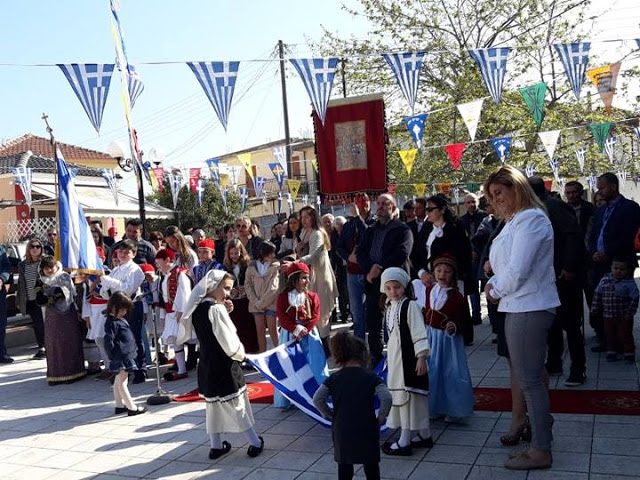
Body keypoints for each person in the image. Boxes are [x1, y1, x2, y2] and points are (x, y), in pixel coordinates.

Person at [484, 166, 559, 470]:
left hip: (527, 306)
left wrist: (494, 289)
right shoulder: (517, 220)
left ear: (516, 188)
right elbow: (506, 261)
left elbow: (518, 270)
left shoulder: (531, 220)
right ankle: (542, 431)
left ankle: (541, 450)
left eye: (499, 193)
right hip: (519, 306)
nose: (496, 200)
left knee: (529, 380)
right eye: (492, 196)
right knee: (533, 375)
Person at [177, 269, 264, 460]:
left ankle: (215, 446)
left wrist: (224, 309)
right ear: (212, 286)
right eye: (225, 288)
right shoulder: (215, 309)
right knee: (237, 404)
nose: (227, 294)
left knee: (213, 406)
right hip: (225, 364)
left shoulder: (198, 308)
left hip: (207, 363)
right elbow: (228, 338)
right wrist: (241, 355)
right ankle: (254, 442)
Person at [529, 176, 587, 386]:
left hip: (564, 275)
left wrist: (569, 267)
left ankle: (578, 369)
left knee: (571, 325)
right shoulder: (535, 208)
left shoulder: (553, 206)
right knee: (551, 323)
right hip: (546, 276)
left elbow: (573, 235)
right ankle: (554, 363)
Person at [313, 331, 392, 480]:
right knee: (371, 466)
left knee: (344, 467)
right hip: (367, 427)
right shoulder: (371, 377)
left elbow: (317, 398)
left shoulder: (334, 378)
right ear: (363, 355)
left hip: (342, 428)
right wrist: (382, 417)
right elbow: (386, 397)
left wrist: (330, 414)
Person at [379, 267, 431, 456]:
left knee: (410, 397)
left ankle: (405, 440)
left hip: (409, 360)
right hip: (395, 360)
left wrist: (422, 357)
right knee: (404, 397)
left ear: (404, 287)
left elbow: (419, 332)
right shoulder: (389, 307)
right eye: (389, 288)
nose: (393, 292)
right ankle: (424, 435)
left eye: (397, 287)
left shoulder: (411, 306)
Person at [357, 194, 413, 366]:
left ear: (393, 207)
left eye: (385, 204)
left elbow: (402, 253)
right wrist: (368, 270)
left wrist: (379, 267)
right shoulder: (370, 230)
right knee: (374, 321)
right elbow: (360, 253)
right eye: (378, 203)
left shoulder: (402, 230)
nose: (380, 207)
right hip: (373, 283)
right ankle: (376, 357)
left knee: (399, 319)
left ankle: (403, 356)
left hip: (395, 282)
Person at [588, 173, 640, 351]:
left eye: (602, 187)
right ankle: (606, 339)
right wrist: (594, 252)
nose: (599, 191)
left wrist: (607, 252)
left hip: (620, 262)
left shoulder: (630, 208)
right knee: (604, 300)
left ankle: (624, 340)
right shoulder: (601, 209)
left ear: (613, 187)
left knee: (622, 301)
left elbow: (627, 234)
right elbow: (594, 233)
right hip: (600, 263)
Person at [422, 255, 474, 421]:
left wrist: (454, 327)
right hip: (431, 337)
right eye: (438, 270)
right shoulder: (430, 289)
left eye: (447, 271)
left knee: (449, 373)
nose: (442, 274)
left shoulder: (457, 297)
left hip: (447, 341)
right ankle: (434, 407)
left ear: (453, 274)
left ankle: (453, 409)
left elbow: (464, 320)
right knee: (433, 372)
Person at [417, 194, 473, 344]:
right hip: (428, 278)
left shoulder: (454, 229)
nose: (427, 212)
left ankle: (458, 334)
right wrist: (422, 272)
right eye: (426, 209)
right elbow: (417, 253)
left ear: (441, 210)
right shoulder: (426, 228)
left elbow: (463, 255)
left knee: (452, 310)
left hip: (449, 279)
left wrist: (444, 274)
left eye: (430, 209)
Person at [274, 262, 329, 410]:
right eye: (303, 278)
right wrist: (294, 328)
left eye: (307, 277)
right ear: (294, 279)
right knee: (289, 364)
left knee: (316, 362)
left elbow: (315, 315)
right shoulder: (283, 297)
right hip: (289, 333)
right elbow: (282, 316)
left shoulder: (312, 296)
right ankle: (286, 399)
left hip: (309, 333)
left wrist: (305, 329)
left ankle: (321, 396)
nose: (307, 281)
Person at [287, 206, 339, 344]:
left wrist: (294, 264)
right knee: (310, 313)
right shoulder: (304, 232)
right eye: (302, 217)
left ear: (313, 217)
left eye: (306, 217)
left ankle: (325, 347)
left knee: (322, 314)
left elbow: (314, 256)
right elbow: (299, 251)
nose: (303, 220)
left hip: (320, 278)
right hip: (309, 279)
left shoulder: (317, 233)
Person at [99, 240, 147, 383]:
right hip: (116, 308)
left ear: (134, 254)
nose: (123, 255)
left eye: (127, 252)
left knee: (135, 337)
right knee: (119, 339)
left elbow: (128, 289)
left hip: (132, 305)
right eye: (121, 252)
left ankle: (140, 369)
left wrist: (109, 281)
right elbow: (106, 293)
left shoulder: (135, 270)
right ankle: (123, 368)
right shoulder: (116, 270)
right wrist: (105, 287)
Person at [38, 256, 86, 385]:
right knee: (53, 344)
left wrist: (48, 296)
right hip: (51, 317)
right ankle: (56, 374)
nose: (49, 270)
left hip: (67, 314)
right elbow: (39, 299)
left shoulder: (63, 276)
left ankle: (73, 372)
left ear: (56, 266)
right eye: (46, 268)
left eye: (51, 267)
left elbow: (62, 294)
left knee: (69, 342)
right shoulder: (40, 280)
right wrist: (49, 296)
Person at [103, 291, 147, 416]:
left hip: (125, 354)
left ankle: (119, 405)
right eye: (122, 309)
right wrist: (111, 355)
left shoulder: (119, 319)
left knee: (119, 380)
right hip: (121, 355)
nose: (124, 312)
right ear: (113, 307)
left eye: (125, 310)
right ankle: (131, 407)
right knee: (123, 382)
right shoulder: (111, 322)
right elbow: (108, 341)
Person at [338, 195, 375, 340]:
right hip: (352, 273)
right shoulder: (348, 225)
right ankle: (359, 345)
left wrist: (359, 219)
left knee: (372, 310)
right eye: (358, 202)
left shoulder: (375, 222)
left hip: (370, 272)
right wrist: (348, 257)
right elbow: (339, 246)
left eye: (365, 201)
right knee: (356, 311)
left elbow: (367, 234)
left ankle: (374, 345)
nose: (362, 204)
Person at [591, 256, 639, 363]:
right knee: (610, 334)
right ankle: (611, 351)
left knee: (625, 334)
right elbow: (597, 295)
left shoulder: (629, 283)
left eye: (622, 269)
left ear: (627, 270)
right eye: (616, 268)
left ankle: (629, 353)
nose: (618, 271)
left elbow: (635, 298)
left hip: (623, 316)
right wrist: (594, 308)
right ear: (611, 268)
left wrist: (630, 312)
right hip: (608, 315)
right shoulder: (604, 280)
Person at [156, 249, 192, 381]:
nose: (158, 266)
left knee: (193, 338)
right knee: (175, 341)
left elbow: (185, 293)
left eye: (159, 263)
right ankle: (182, 370)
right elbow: (163, 297)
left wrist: (182, 311)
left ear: (167, 260)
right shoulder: (165, 276)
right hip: (170, 313)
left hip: (179, 312)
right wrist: (163, 315)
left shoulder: (179, 274)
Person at [224, 239, 259, 353]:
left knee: (249, 327)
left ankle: (252, 352)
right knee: (236, 328)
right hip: (234, 301)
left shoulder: (248, 264)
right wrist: (230, 291)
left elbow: (253, 281)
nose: (234, 256)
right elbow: (224, 284)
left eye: (236, 253)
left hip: (246, 300)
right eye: (231, 253)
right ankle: (240, 354)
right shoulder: (226, 266)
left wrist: (245, 289)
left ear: (241, 252)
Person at [245, 241, 280, 353]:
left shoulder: (275, 267)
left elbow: (274, 287)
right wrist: (255, 301)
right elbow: (248, 285)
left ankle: (280, 354)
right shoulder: (251, 267)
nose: (273, 256)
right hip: (256, 305)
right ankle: (263, 356)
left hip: (270, 303)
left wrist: (262, 303)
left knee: (273, 330)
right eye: (270, 253)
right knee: (260, 331)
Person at [459, 193, 488, 325]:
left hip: (484, 256)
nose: (471, 204)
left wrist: (478, 251)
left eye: (473, 202)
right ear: (465, 204)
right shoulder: (461, 221)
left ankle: (492, 315)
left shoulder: (485, 217)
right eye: (468, 202)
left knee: (487, 285)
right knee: (473, 288)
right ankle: (476, 315)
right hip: (469, 258)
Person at [17, 238, 46, 359]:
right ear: (28, 249)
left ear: (41, 249)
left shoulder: (45, 261)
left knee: (44, 323)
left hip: (44, 299)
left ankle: (48, 346)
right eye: (32, 247)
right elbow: (21, 283)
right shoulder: (22, 265)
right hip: (30, 299)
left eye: (37, 247)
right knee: (38, 324)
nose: (35, 249)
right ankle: (42, 347)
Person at [330, 216, 350, 323]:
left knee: (348, 292)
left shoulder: (348, 234)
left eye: (342, 225)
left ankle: (349, 312)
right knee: (341, 292)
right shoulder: (333, 237)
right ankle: (344, 314)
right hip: (339, 267)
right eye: (338, 225)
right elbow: (333, 253)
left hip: (349, 265)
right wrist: (334, 268)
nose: (340, 227)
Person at [407, 198, 429, 278]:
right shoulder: (408, 226)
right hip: (413, 266)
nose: (415, 210)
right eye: (414, 208)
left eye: (419, 208)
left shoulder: (432, 224)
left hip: (428, 264)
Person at [0, 244, 13, 364]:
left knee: (1, 324)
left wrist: (2, 279)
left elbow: (6, 266)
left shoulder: (1, 249)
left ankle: (1, 353)